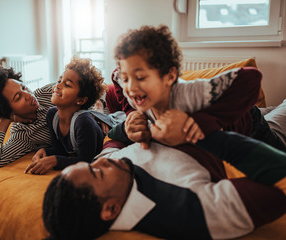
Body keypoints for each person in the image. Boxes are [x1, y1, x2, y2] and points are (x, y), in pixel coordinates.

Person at [42, 108, 286, 240]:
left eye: (91, 165)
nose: (99, 164)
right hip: (252, 131)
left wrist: (132, 127)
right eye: (97, 173)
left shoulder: (110, 167)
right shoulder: (192, 211)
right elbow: (280, 182)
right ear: (111, 210)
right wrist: (201, 134)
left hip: (221, 113)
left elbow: (112, 137)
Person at [106, 25, 286, 152]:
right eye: (127, 78)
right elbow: (117, 77)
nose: (131, 86)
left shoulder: (189, 94)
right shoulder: (132, 91)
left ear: (169, 76)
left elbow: (251, 78)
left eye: (140, 77)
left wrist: (202, 122)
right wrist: (131, 120)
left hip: (247, 122)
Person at [24, 57, 106, 174]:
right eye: (59, 81)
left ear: (81, 100)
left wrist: (55, 161)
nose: (57, 86)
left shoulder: (84, 122)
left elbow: (86, 162)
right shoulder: (52, 115)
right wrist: (45, 151)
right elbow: (61, 150)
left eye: (67, 85)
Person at [0, 64, 55, 169]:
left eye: (23, 87)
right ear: (6, 109)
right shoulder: (23, 135)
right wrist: (5, 119)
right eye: (18, 97)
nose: (29, 95)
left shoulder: (46, 93)